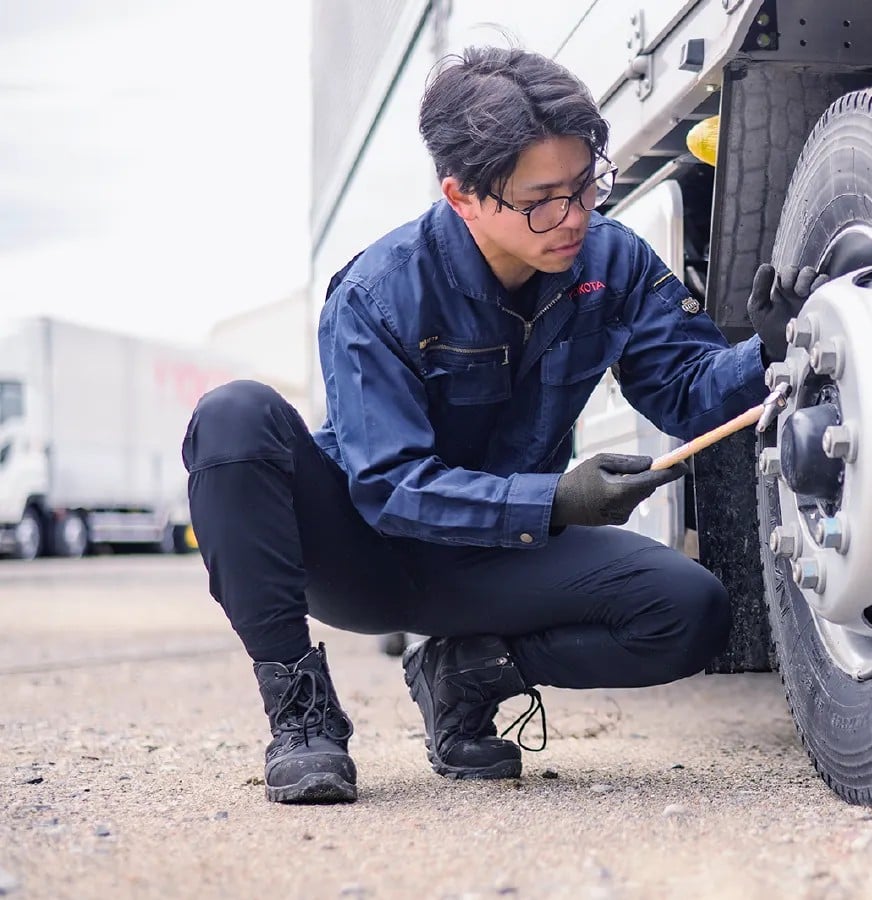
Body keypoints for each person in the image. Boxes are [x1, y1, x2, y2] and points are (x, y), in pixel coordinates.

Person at [181, 46, 826, 803]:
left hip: (499, 559)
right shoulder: (378, 293)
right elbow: (388, 487)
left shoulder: (608, 261)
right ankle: (302, 714)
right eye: (544, 199)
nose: (576, 215)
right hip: (366, 556)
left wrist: (774, 347)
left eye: (588, 184)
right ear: (462, 196)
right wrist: (555, 502)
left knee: (692, 612)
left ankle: (464, 676)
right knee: (232, 416)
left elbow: (689, 394)